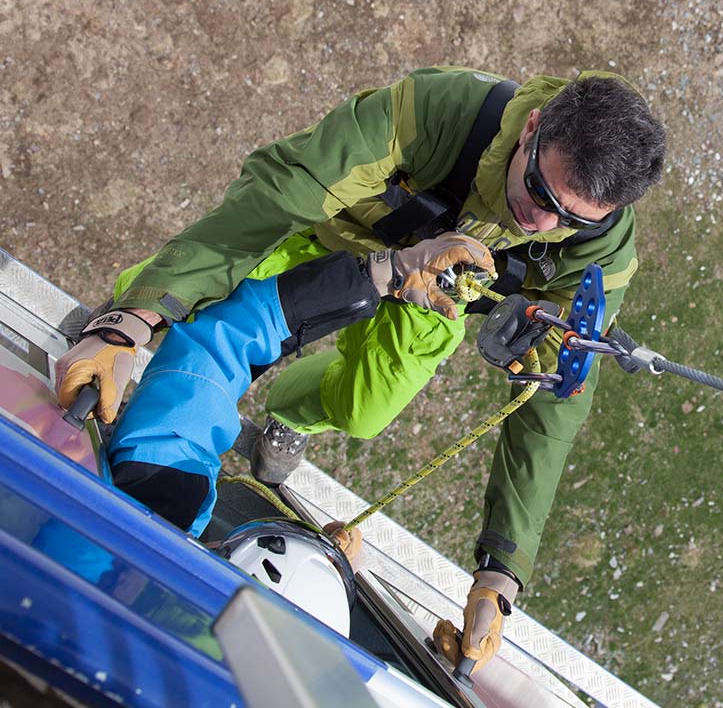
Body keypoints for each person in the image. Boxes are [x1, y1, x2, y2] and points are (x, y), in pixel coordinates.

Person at [54, 66, 667, 670]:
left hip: (437, 294)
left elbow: (553, 401)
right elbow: (277, 198)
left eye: (576, 220)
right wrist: (130, 320)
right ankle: (130, 320)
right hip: (336, 236)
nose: (543, 224)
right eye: (539, 192)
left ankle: (285, 416)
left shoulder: (599, 254)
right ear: (532, 128)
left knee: (362, 410)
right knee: (170, 306)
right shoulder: (435, 113)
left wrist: (500, 576)